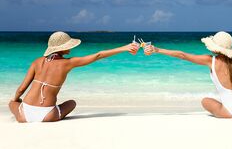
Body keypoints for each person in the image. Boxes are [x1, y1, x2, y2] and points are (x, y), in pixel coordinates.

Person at [9, 31, 138, 122]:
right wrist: (125, 48)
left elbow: (21, 89)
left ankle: (18, 107)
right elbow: (98, 55)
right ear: (62, 48)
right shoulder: (68, 63)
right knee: (72, 103)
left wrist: (16, 100)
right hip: (48, 115)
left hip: (24, 114)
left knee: (12, 103)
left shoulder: (37, 62)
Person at [145, 31, 232, 118]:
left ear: (215, 48)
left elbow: (182, 55)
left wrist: (157, 50)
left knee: (205, 101)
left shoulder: (211, 60)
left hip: (230, 113)